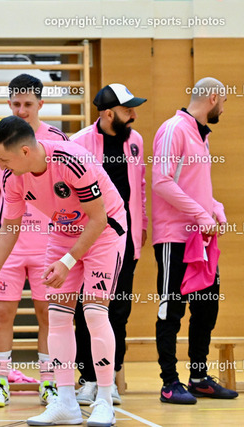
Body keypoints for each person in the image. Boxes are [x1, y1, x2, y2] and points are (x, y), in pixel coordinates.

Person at [0, 116, 127, 426]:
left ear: (24, 151)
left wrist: (68, 262)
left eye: (4, 159)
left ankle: (104, 400)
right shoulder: (12, 177)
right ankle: (66, 403)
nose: (0, 165)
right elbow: (10, 226)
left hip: (104, 231)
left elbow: (98, 219)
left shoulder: (71, 160)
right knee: (58, 316)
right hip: (63, 232)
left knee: (94, 313)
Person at [0, 74, 68, 407]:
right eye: (16, 104)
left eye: (28, 104)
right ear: (8, 104)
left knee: (48, 314)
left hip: (49, 242)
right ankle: (0, 380)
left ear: (40, 104)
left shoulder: (56, 139)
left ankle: (49, 382)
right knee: (3, 313)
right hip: (10, 242)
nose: (22, 110)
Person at [152, 77, 238, 404]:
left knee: (206, 308)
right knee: (171, 309)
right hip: (175, 237)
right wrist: (200, 214)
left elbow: (194, 185)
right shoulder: (173, 129)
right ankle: (169, 382)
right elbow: (161, 181)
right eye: (223, 102)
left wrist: (214, 207)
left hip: (201, 239)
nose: (223, 109)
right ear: (213, 98)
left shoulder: (202, 135)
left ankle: (199, 377)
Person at [70, 83, 148, 406]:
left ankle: (110, 378)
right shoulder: (78, 143)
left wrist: (141, 227)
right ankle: (88, 378)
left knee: (119, 310)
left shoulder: (136, 141)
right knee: (85, 310)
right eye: (128, 109)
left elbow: (139, 187)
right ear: (108, 114)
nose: (134, 115)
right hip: (88, 238)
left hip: (124, 240)